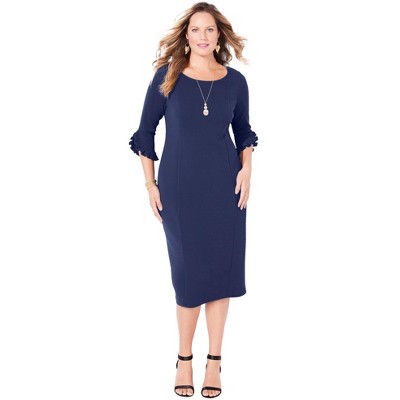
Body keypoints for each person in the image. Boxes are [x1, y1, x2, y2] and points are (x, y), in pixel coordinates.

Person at [129, 2, 258, 398]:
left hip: (226, 190)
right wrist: (150, 184)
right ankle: (184, 358)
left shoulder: (235, 82)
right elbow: (145, 132)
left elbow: (244, 132)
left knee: (221, 276)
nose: (203, 36)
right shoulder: (167, 76)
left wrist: (247, 169)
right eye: (196, 29)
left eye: (210, 30)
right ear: (186, 35)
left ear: (219, 36)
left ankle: (214, 362)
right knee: (187, 278)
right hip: (180, 189)